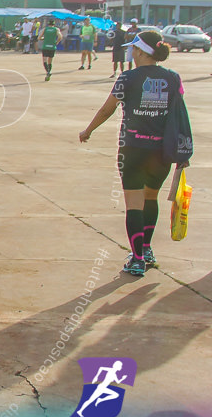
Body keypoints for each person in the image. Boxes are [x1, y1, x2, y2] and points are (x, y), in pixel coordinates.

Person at [79, 30, 189, 277]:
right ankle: (147, 250)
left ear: (140, 51)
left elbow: (107, 109)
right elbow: (181, 114)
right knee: (151, 198)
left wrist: (88, 130)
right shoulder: (173, 78)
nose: (130, 52)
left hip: (133, 149)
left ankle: (137, 258)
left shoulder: (127, 78)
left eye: (133, 48)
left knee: (134, 204)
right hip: (161, 151)